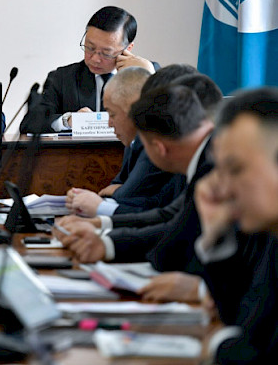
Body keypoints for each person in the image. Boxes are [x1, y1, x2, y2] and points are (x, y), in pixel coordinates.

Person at [57, 83, 215, 303]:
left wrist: (201, 291)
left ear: (158, 149)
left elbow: (175, 236)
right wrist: (103, 233)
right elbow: (170, 216)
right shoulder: (199, 156)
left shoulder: (214, 165)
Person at [193, 88, 278, 363]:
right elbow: (245, 324)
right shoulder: (270, 235)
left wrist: (218, 344)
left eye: (237, 169)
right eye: (221, 171)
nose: (224, 189)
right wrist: (217, 235)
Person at [20, 5, 157, 134]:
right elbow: (30, 123)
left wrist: (148, 78)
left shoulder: (150, 73)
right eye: (90, 48)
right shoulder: (62, 78)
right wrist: (68, 121)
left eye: (106, 53)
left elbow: (164, 122)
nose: (95, 59)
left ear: (128, 49)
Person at [64, 67, 176, 217]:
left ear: (133, 110)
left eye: (112, 114)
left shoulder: (155, 141)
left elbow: (129, 194)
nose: (109, 124)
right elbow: (115, 186)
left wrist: (113, 193)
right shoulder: (131, 140)